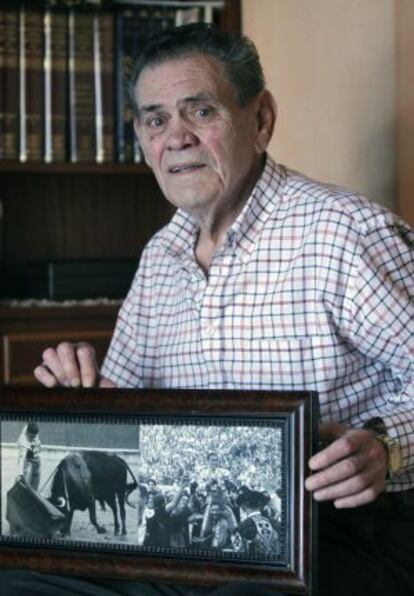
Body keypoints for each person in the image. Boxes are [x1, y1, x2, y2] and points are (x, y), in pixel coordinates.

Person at [15, 21, 412, 596]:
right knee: (22, 580)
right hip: (194, 540)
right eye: (156, 120)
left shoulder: (345, 232)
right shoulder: (160, 258)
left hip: (343, 528)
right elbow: (124, 413)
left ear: (262, 119)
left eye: (199, 111)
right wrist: (78, 392)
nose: (176, 138)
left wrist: (386, 446)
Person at [16, 422, 41, 491]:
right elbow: (21, 458)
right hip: (28, 462)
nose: (33, 438)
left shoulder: (33, 430)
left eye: (35, 436)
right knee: (24, 484)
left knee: (35, 488)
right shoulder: (23, 440)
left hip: (37, 460)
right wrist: (20, 474)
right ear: (27, 432)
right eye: (32, 436)